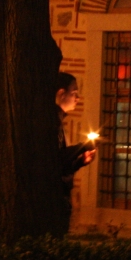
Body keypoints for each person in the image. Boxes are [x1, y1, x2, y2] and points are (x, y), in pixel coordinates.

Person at [56, 72, 96, 219]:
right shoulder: (51, 123)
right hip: (54, 197)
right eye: (74, 93)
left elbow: (61, 166)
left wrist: (80, 162)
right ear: (61, 94)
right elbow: (55, 160)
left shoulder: (58, 121)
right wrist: (82, 147)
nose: (77, 98)